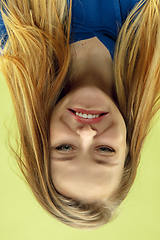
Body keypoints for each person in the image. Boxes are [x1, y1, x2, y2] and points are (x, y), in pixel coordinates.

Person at [0, 0, 160, 230]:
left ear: (42, 138)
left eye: (65, 147)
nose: (86, 133)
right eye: (105, 150)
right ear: (128, 145)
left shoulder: (11, 25)